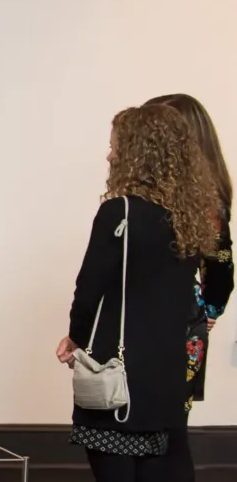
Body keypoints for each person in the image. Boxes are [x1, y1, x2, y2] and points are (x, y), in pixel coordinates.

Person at [56, 104, 225, 482]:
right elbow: (205, 283)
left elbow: (88, 291)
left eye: (115, 144)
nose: (109, 153)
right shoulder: (192, 217)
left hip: (118, 373)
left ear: (137, 154)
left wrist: (75, 340)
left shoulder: (120, 212)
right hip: (167, 370)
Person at [144, 93, 234, 478]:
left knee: (165, 434)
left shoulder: (200, 202)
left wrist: (206, 312)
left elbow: (222, 271)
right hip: (178, 327)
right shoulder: (187, 197)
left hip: (171, 330)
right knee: (164, 431)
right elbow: (222, 275)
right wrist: (206, 312)